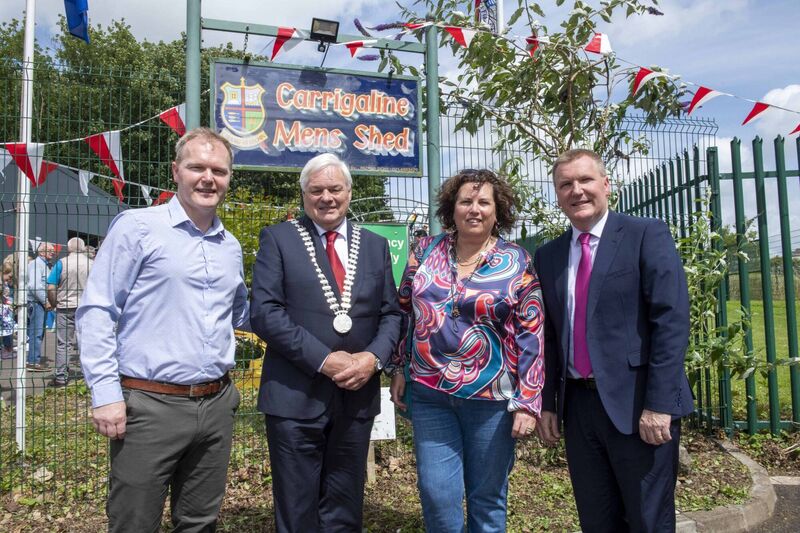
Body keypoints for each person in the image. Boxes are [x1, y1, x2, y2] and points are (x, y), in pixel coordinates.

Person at [76, 127, 249, 532]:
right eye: (197, 167)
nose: (208, 178)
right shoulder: (136, 227)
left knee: (200, 521)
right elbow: (98, 310)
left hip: (216, 403)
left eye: (219, 171)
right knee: (134, 521)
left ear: (228, 178)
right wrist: (105, 394)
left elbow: (241, 314)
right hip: (149, 406)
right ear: (176, 171)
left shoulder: (231, 246)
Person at [533, 149, 693, 532]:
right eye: (565, 184)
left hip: (639, 406)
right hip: (579, 409)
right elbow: (549, 336)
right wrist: (548, 403)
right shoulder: (549, 255)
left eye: (585, 180)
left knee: (647, 521)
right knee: (596, 520)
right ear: (557, 195)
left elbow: (670, 322)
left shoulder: (644, 234)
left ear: (606, 185)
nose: (577, 191)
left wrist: (658, 405)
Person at [250, 152, 402, 532]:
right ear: (303, 195)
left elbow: (391, 314)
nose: (326, 197)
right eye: (316, 190)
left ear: (349, 192)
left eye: (335, 188)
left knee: (345, 506)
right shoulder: (278, 239)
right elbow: (265, 312)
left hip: (356, 395)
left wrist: (373, 358)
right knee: (297, 509)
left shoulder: (374, 245)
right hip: (294, 397)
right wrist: (324, 359)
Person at [388, 169, 545, 532]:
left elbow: (532, 333)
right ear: (452, 208)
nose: (474, 209)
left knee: (487, 498)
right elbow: (403, 311)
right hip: (430, 395)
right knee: (436, 493)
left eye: (483, 202)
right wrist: (398, 367)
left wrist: (528, 400)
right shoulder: (424, 251)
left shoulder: (517, 261)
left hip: (491, 401)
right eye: (465, 201)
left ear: (497, 209)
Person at [47, 237, 93, 387]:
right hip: (86, 307)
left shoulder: (61, 263)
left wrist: (54, 303)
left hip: (65, 306)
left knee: (63, 343)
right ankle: (89, 375)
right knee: (86, 343)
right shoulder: (92, 264)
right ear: (84, 248)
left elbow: (50, 287)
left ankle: (61, 377)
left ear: (69, 249)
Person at [27, 242, 55, 371]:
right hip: (37, 303)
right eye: (50, 250)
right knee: (36, 332)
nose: (53, 253)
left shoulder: (44, 265)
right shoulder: (36, 265)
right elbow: (34, 286)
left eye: (53, 250)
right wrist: (45, 301)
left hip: (40, 303)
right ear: (41, 252)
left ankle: (34, 360)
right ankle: (33, 362)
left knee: (39, 332)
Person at [1, 262, 15, 359]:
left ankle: (7, 348)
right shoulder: (1, 283)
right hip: (2, 309)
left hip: (4, 307)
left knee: (6, 329)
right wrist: (6, 302)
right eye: (9, 276)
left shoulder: (4, 282)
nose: (10, 279)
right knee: (6, 329)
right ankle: (7, 349)